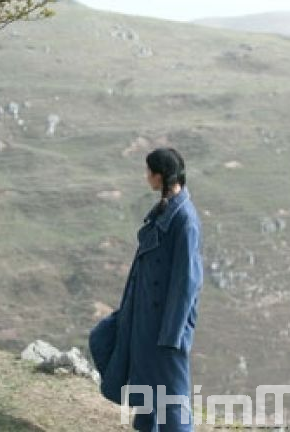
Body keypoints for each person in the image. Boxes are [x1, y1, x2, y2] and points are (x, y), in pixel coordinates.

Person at [90, 147, 203, 432]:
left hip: (165, 326)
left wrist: (172, 334)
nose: (146, 177)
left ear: (160, 176)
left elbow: (187, 281)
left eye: (149, 171)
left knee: (170, 399)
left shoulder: (185, 220)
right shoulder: (166, 209)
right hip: (142, 317)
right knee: (105, 342)